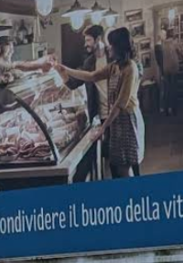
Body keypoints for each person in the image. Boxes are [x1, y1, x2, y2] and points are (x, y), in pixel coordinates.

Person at [50, 26, 145, 178]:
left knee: (125, 167)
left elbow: (120, 103)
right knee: (118, 165)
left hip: (126, 120)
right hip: (114, 120)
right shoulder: (114, 66)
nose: (109, 47)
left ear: (119, 47)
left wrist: (103, 127)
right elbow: (91, 76)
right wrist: (64, 69)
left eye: (112, 45)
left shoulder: (130, 68)